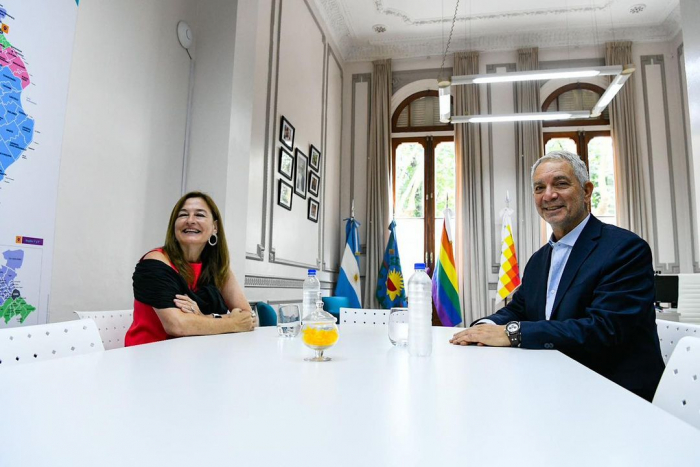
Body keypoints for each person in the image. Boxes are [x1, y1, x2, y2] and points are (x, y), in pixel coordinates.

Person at [450, 150, 665, 401]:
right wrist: (483, 329)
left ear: (586, 191)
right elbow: (519, 309)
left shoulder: (625, 249)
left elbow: (604, 329)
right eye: (539, 188)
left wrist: (512, 333)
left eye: (560, 184)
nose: (549, 195)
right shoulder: (540, 259)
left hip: (615, 394)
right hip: (554, 385)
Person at [125, 191, 256, 346]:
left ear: (215, 227)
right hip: (147, 355)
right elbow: (177, 325)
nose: (190, 220)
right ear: (174, 225)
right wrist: (231, 322)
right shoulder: (154, 262)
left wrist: (201, 316)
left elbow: (248, 317)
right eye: (183, 215)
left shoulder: (218, 267)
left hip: (195, 353)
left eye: (199, 215)